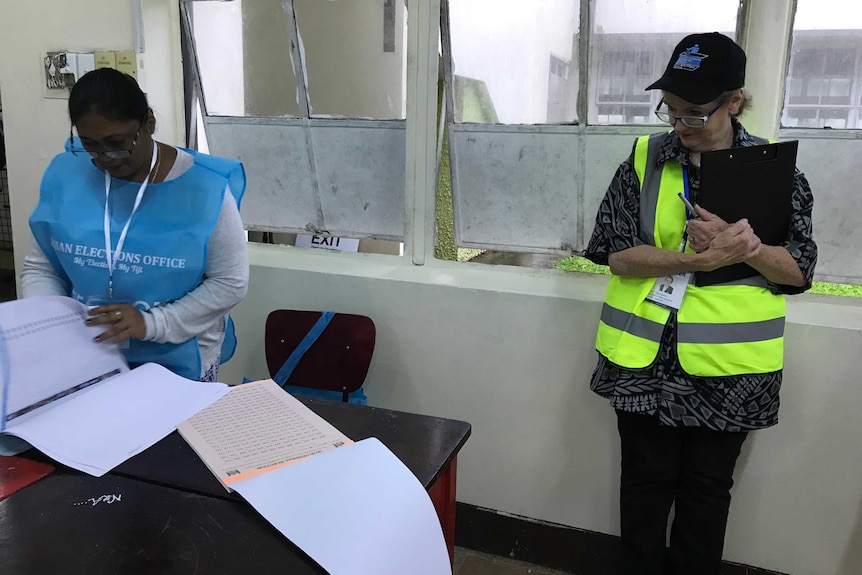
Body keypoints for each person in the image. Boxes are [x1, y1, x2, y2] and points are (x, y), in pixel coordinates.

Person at [585, 33, 817, 575]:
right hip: (642, 362)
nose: (679, 125)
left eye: (694, 114)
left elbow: (800, 271)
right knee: (643, 490)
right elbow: (615, 255)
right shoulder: (643, 162)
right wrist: (696, 261)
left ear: (734, 100)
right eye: (671, 110)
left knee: (706, 496)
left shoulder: (773, 172)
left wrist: (753, 249)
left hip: (730, 373)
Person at [22, 68, 249, 382]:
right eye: (90, 144)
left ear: (149, 123)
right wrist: (47, 323)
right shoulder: (67, 176)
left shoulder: (203, 191)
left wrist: (151, 323)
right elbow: (43, 266)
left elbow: (230, 282)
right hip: (86, 353)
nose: (106, 158)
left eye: (117, 143)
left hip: (176, 359)